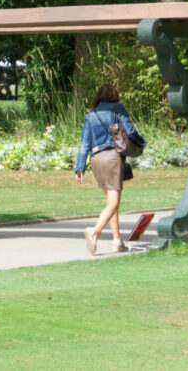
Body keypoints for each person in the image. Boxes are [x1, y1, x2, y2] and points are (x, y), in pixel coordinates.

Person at [75, 84, 145, 254]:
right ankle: (95, 232)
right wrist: (141, 141)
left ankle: (117, 240)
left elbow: (84, 144)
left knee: (111, 202)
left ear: (98, 96)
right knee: (113, 202)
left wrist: (80, 167)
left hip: (96, 159)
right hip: (112, 157)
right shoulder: (117, 109)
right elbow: (129, 130)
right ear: (114, 95)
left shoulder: (90, 115)